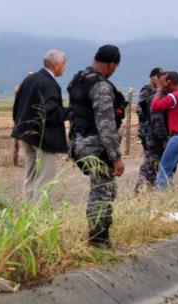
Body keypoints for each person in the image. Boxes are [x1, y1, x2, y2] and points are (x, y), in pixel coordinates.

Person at [68, 45, 127, 248]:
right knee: (103, 192)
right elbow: (106, 125)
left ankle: (98, 237)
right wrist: (116, 157)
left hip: (79, 143)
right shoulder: (101, 86)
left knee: (100, 189)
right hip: (97, 146)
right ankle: (99, 239)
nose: (114, 71)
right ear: (110, 64)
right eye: (115, 67)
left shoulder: (78, 79)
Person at [11, 49, 68, 203]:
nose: (64, 68)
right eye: (64, 65)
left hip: (28, 136)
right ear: (56, 65)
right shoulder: (49, 84)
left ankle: (27, 212)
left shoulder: (29, 79)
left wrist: (22, 129)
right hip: (45, 139)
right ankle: (39, 215)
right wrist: (71, 112)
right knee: (44, 180)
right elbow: (51, 112)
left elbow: (17, 107)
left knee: (30, 177)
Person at [135, 67, 165, 192]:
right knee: (150, 159)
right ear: (152, 78)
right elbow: (139, 109)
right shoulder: (146, 91)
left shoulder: (159, 92)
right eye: (158, 77)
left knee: (155, 160)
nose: (160, 80)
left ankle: (151, 185)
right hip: (146, 130)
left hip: (154, 130)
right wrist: (150, 115)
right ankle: (141, 186)